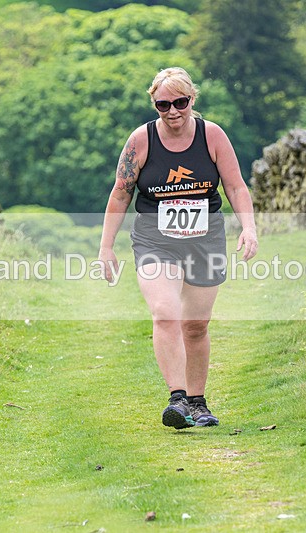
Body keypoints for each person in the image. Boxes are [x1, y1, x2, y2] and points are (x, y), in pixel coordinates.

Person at [99, 67, 258, 429]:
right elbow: (121, 193)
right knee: (165, 312)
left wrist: (248, 228)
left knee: (196, 325)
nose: (173, 111)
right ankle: (178, 398)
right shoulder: (140, 141)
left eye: (180, 102)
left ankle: (199, 401)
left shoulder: (212, 135)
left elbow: (235, 187)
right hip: (156, 238)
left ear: (192, 100)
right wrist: (106, 247)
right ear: (154, 104)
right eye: (163, 104)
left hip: (205, 238)